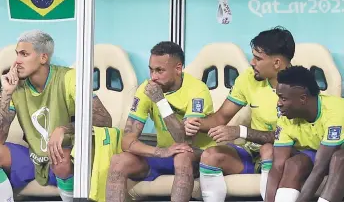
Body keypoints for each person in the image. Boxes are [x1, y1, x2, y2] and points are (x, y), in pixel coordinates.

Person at [184, 26, 296, 201]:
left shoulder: (300, 87)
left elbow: (288, 137)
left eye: (258, 58)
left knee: (269, 150)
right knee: (210, 156)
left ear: (276, 63)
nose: (252, 62)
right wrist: (195, 123)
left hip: (287, 154)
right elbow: (220, 118)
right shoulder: (248, 78)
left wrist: (240, 131)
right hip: (253, 152)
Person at [0, 30, 112, 202]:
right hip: (34, 157)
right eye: (17, 54)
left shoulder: (69, 78)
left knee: (61, 157)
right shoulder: (17, 86)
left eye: (24, 54)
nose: (17, 61)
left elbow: (105, 119)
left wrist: (64, 129)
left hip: (66, 156)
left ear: (43, 58)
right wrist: (7, 94)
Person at [105, 41, 216, 202]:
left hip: (197, 155)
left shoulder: (197, 90)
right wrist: (160, 152)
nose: (153, 77)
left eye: (160, 71)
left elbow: (184, 140)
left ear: (178, 69)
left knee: (182, 155)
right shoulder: (147, 89)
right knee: (118, 161)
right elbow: (128, 141)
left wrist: (160, 101)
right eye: (151, 70)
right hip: (165, 154)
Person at [266, 66, 344, 202]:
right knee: (295, 163)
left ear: (303, 98)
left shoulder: (335, 111)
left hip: (336, 158)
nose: (279, 103)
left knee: (339, 158)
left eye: (283, 99)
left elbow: (320, 168)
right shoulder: (285, 116)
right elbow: (277, 166)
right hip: (322, 155)